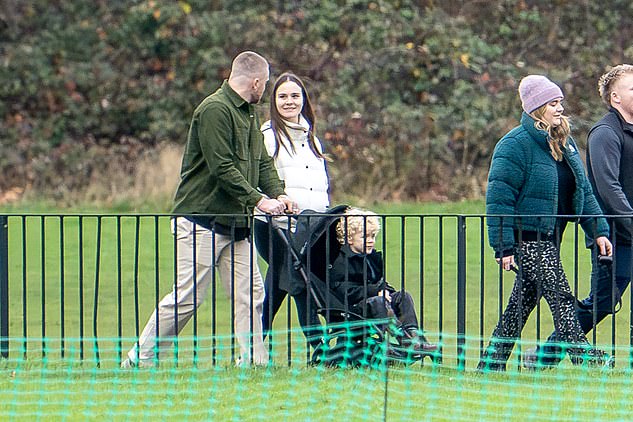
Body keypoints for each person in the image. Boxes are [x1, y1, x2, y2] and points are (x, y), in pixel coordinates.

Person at [121, 51, 297, 368]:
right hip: (200, 221)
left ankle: (254, 363)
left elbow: (261, 163)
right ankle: (141, 358)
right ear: (256, 81)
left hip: (236, 225)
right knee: (187, 297)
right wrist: (260, 201)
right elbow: (222, 168)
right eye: (266, 84)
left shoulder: (248, 114)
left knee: (251, 295)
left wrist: (280, 194)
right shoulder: (214, 110)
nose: (265, 90)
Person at [478, 75, 613, 371]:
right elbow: (499, 199)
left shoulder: (565, 142)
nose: (560, 108)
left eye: (560, 102)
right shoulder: (514, 145)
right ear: (536, 108)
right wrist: (503, 246)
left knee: (520, 307)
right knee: (562, 298)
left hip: (552, 238)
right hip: (527, 240)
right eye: (553, 103)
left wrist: (599, 230)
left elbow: (584, 191)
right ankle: (585, 359)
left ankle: (490, 364)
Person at [531, 64, 633, 367]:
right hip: (614, 235)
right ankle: (543, 355)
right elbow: (607, 188)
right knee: (602, 302)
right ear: (615, 97)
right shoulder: (605, 133)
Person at [253, 72, 330, 348]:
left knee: (278, 282)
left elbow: (319, 185)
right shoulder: (268, 136)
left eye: (295, 96)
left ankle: (253, 344)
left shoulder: (313, 140)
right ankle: (319, 347)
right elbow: (258, 176)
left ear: (303, 100)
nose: (289, 102)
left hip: (310, 227)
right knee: (299, 281)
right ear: (274, 101)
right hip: (274, 226)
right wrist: (275, 203)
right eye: (282, 96)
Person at [330, 207, 437, 355]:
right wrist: (376, 292)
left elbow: (380, 281)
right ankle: (387, 343)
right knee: (377, 301)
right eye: (365, 237)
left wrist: (387, 291)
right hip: (352, 308)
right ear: (349, 238)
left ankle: (413, 338)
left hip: (377, 302)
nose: (370, 241)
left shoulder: (371, 258)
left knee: (403, 296)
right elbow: (344, 291)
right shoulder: (341, 262)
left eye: (373, 236)